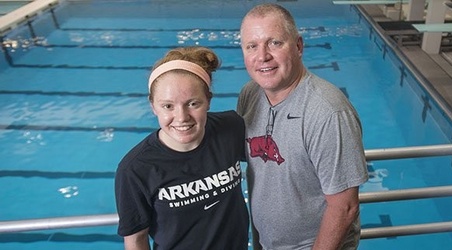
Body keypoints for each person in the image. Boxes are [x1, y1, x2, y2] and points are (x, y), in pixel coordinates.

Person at [237, 3, 369, 250]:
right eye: (252, 46)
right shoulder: (250, 94)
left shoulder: (328, 113)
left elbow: (345, 207)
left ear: (298, 46)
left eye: (274, 43)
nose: (262, 56)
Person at [115, 46, 249, 250]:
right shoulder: (136, 169)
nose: (182, 117)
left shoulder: (231, 129)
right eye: (168, 106)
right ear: (153, 106)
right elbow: (135, 240)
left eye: (193, 103)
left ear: (208, 101)